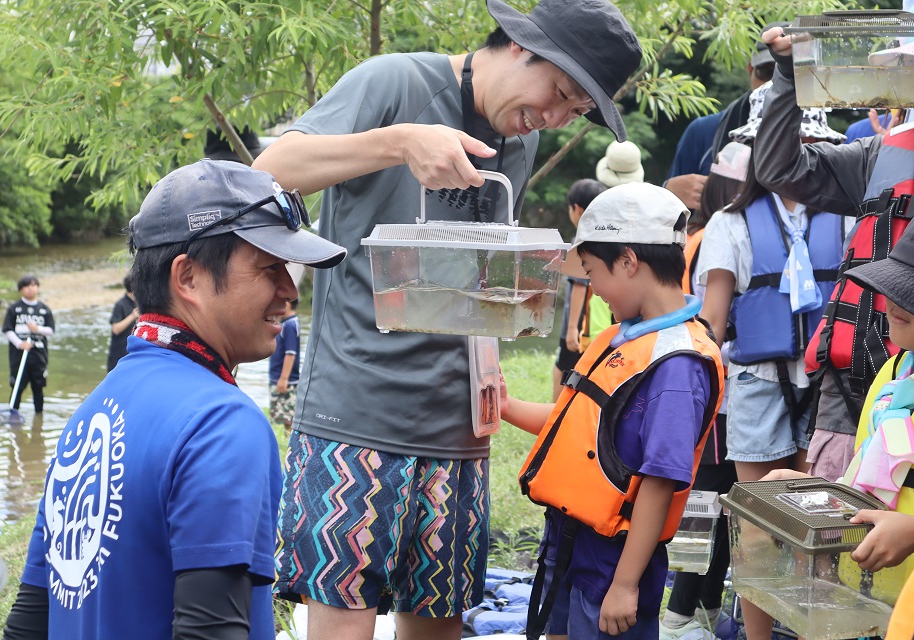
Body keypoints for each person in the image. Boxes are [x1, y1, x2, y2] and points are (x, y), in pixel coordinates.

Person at [251, 0, 642, 638]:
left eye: (572, 113)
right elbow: (265, 176)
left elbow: (472, 278)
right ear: (521, 45)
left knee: (439, 626)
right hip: (356, 418)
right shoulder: (394, 82)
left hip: (458, 429)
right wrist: (399, 142)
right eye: (559, 93)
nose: (550, 116)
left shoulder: (520, 138)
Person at [1, 159, 347, 640]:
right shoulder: (221, 424)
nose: (289, 292)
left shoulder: (88, 417)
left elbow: (26, 626)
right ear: (188, 278)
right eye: (270, 268)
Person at [503, 183, 724, 639]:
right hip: (570, 536)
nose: (592, 288)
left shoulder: (678, 365)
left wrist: (625, 584)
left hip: (614, 559)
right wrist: (504, 406)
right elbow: (579, 428)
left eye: (591, 272)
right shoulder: (624, 338)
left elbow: (661, 480)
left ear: (627, 261)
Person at [696, 80, 847, 640]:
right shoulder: (729, 223)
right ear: (760, 152)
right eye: (783, 142)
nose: (795, 152)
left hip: (831, 383)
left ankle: (816, 629)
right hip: (758, 383)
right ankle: (758, 634)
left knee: (822, 517)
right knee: (757, 521)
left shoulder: (846, 217)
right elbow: (713, 318)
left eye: (806, 142)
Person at [755, 26, 914, 486]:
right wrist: (788, 75)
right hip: (849, 389)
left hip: (903, 376)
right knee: (840, 541)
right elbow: (779, 169)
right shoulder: (879, 153)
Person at [761, 223, 914, 630]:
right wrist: (816, 491)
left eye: (909, 292)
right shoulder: (895, 371)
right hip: (872, 600)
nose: (893, 301)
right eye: (893, 285)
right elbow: (861, 475)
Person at [660, 142, 748, 640]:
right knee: (707, 505)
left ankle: (706, 610)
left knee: (717, 504)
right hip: (717, 390)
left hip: (712, 388)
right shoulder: (718, 236)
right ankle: (680, 616)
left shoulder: (697, 236)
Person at [664, 27, 781, 210]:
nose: (773, 83)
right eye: (766, 71)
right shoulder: (703, 132)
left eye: (787, 74)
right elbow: (665, 217)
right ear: (749, 69)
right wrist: (667, 192)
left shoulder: (823, 143)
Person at [552, 178, 608, 401]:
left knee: (563, 371)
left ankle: (554, 419)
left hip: (580, 327)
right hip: (595, 326)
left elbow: (579, 287)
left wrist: (572, 329)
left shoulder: (582, 240)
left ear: (577, 209)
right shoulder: (603, 238)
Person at [2, 275, 55, 414]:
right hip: (18, 356)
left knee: (38, 388)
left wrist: (37, 329)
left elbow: (51, 331)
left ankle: (39, 419)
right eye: (27, 286)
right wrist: (20, 344)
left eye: (33, 285)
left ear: (37, 287)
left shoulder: (44, 309)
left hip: (39, 356)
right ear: (21, 289)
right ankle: (13, 416)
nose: (30, 289)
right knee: (17, 387)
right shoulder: (14, 309)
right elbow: (7, 330)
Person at [269, 297, 300, 430]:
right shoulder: (289, 323)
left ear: (286, 304)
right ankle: (287, 438)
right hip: (280, 377)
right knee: (283, 415)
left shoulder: (289, 325)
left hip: (285, 379)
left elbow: (290, 353)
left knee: (288, 415)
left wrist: (284, 378)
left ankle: (289, 440)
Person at [106, 274, 138, 371]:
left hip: (132, 354)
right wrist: (132, 316)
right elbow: (115, 329)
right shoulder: (120, 305)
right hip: (119, 356)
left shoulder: (138, 304)